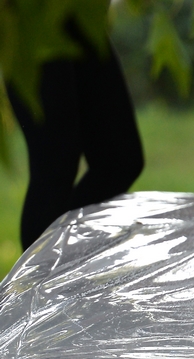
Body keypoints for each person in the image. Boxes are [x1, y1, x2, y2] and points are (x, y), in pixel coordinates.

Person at [6, 23, 144, 250]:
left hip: (76, 10)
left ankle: (67, 257)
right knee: (55, 167)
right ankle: (39, 277)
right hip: (29, 12)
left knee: (120, 160)